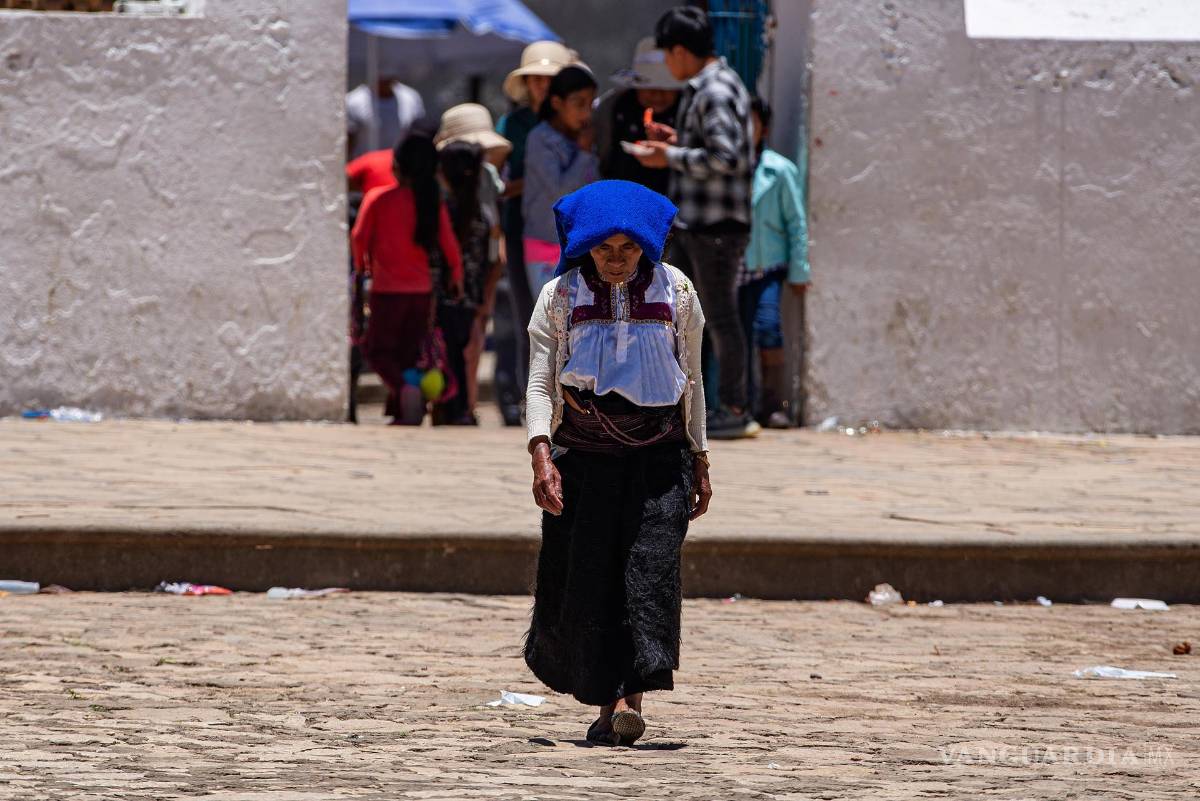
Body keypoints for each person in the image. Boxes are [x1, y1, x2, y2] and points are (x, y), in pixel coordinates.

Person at [524, 180, 712, 746]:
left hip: (660, 459)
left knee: (649, 574)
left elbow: (693, 381)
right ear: (583, 245)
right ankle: (608, 706)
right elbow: (539, 380)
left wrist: (700, 456)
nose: (615, 260)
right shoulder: (560, 297)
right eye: (604, 248)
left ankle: (631, 698)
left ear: (648, 246)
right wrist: (540, 453)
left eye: (627, 249)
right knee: (593, 578)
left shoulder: (677, 293)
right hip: (586, 460)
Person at [634, 6, 758, 439]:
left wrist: (669, 156)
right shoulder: (708, 87)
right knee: (679, 314)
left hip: (716, 227)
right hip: (698, 223)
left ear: (682, 51)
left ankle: (736, 408)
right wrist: (679, 143)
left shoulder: (715, 90)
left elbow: (728, 158)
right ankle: (680, 403)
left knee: (719, 317)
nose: (667, 66)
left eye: (668, 55)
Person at [351, 136, 463, 425]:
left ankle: (404, 389)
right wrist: (457, 278)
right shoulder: (430, 203)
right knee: (408, 354)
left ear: (397, 167)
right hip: (421, 293)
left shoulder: (378, 199)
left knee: (376, 351)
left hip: (386, 292)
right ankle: (403, 411)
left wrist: (362, 266)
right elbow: (450, 247)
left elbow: (358, 238)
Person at [495, 41, 578, 427]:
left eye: (549, 79)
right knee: (524, 313)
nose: (541, 87)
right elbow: (499, 180)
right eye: (535, 79)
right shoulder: (513, 126)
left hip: (567, 229)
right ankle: (519, 396)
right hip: (519, 229)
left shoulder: (576, 122)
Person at [435, 104, 513, 424]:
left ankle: (463, 405)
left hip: (473, 281)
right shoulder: (442, 195)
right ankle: (457, 404)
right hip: (463, 284)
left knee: (468, 344)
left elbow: (495, 241)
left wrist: (490, 282)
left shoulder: (486, 184)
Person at [742, 97, 809, 428]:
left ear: (764, 128)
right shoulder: (726, 166)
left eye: (751, 123)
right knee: (736, 335)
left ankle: (772, 403)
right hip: (734, 269)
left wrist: (800, 270)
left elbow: (796, 222)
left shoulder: (780, 170)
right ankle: (740, 403)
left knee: (768, 328)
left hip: (768, 267)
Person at [522, 65, 600, 301]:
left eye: (591, 104)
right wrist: (585, 152)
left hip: (583, 246)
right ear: (556, 103)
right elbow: (561, 193)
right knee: (554, 327)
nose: (586, 113)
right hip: (546, 247)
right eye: (579, 103)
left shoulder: (585, 137)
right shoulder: (540, 138)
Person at [594, 37, 683, 195]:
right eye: (649, 86)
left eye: (665, 87)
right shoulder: (614, 107)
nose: (657, 94)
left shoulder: (688, 107)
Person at [346, 78, 425, 161]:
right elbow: (348, 144)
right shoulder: (353, 101)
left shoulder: (411, 97)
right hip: (364, 168)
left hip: (400, 168)